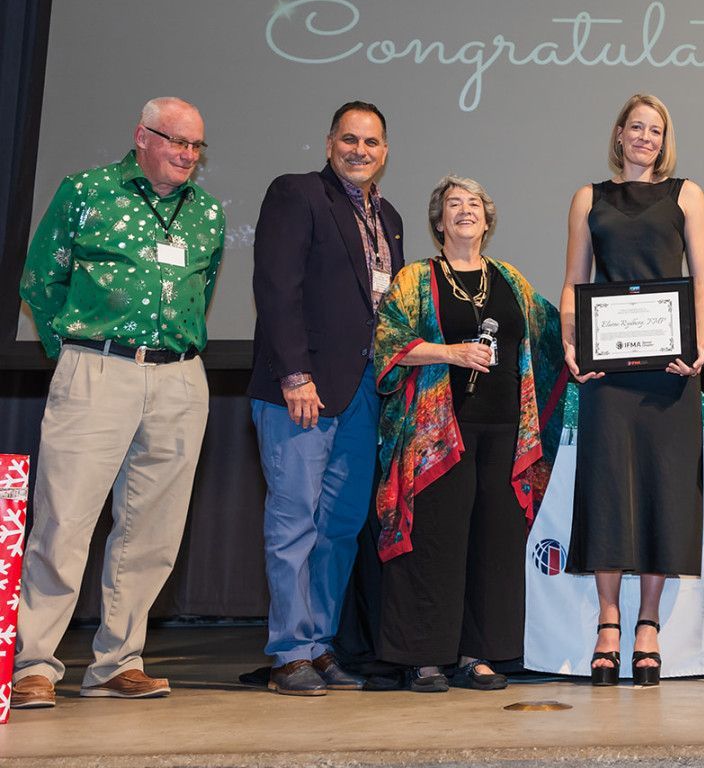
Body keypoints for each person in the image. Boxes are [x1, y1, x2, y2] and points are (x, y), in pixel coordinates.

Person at [11, 97, 224, 710]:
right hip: (97, 369)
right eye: (176, 141)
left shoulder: (207, 212)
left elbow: (201, 288)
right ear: (142, 137)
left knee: (152, 531)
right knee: (65, 520)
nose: (187, 154)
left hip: (180, 378)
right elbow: (40, 278)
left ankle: (117, 661)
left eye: (196, 146)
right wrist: (74, 352)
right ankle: (34, 665)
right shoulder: (86, 191)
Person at [372, 176, 567, 692]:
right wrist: (451, 353)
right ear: (438, 222)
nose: (465, 210)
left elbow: (552, 333)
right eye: (453, 204)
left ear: (488, 217)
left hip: (505, 431)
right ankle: (423, 657)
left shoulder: (509, 278)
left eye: (474, 203)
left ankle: (476, 653)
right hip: (439, 432)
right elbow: (388, 344)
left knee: (494, 545)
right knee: (433, 543)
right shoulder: (417, 278)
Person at [247, 101, 403, 696]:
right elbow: (277, 288)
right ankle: (288, 653)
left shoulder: (386, 216)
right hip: (303, 390)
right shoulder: (298, 194)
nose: (359, 150)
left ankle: (319, 643)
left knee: (339, 525)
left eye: (371, 142)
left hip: (363, 392)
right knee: (294, 521)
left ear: (385, 152)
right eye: (349, 139)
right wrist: (294, 375)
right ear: (329, 141)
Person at [559, 93, 704, 686]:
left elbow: (703, 276)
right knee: (607, 488)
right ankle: (608, 620)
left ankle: (647, 621)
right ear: (619, 134)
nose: (645, 137)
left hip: (671, 371)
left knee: (662, 490)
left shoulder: (687, 194)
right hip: (608, 371)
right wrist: (575, 346)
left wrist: (697, 346)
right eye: (636, 127)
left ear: (663, 139)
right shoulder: (588, 198)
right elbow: (575, 281)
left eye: (656, 129)